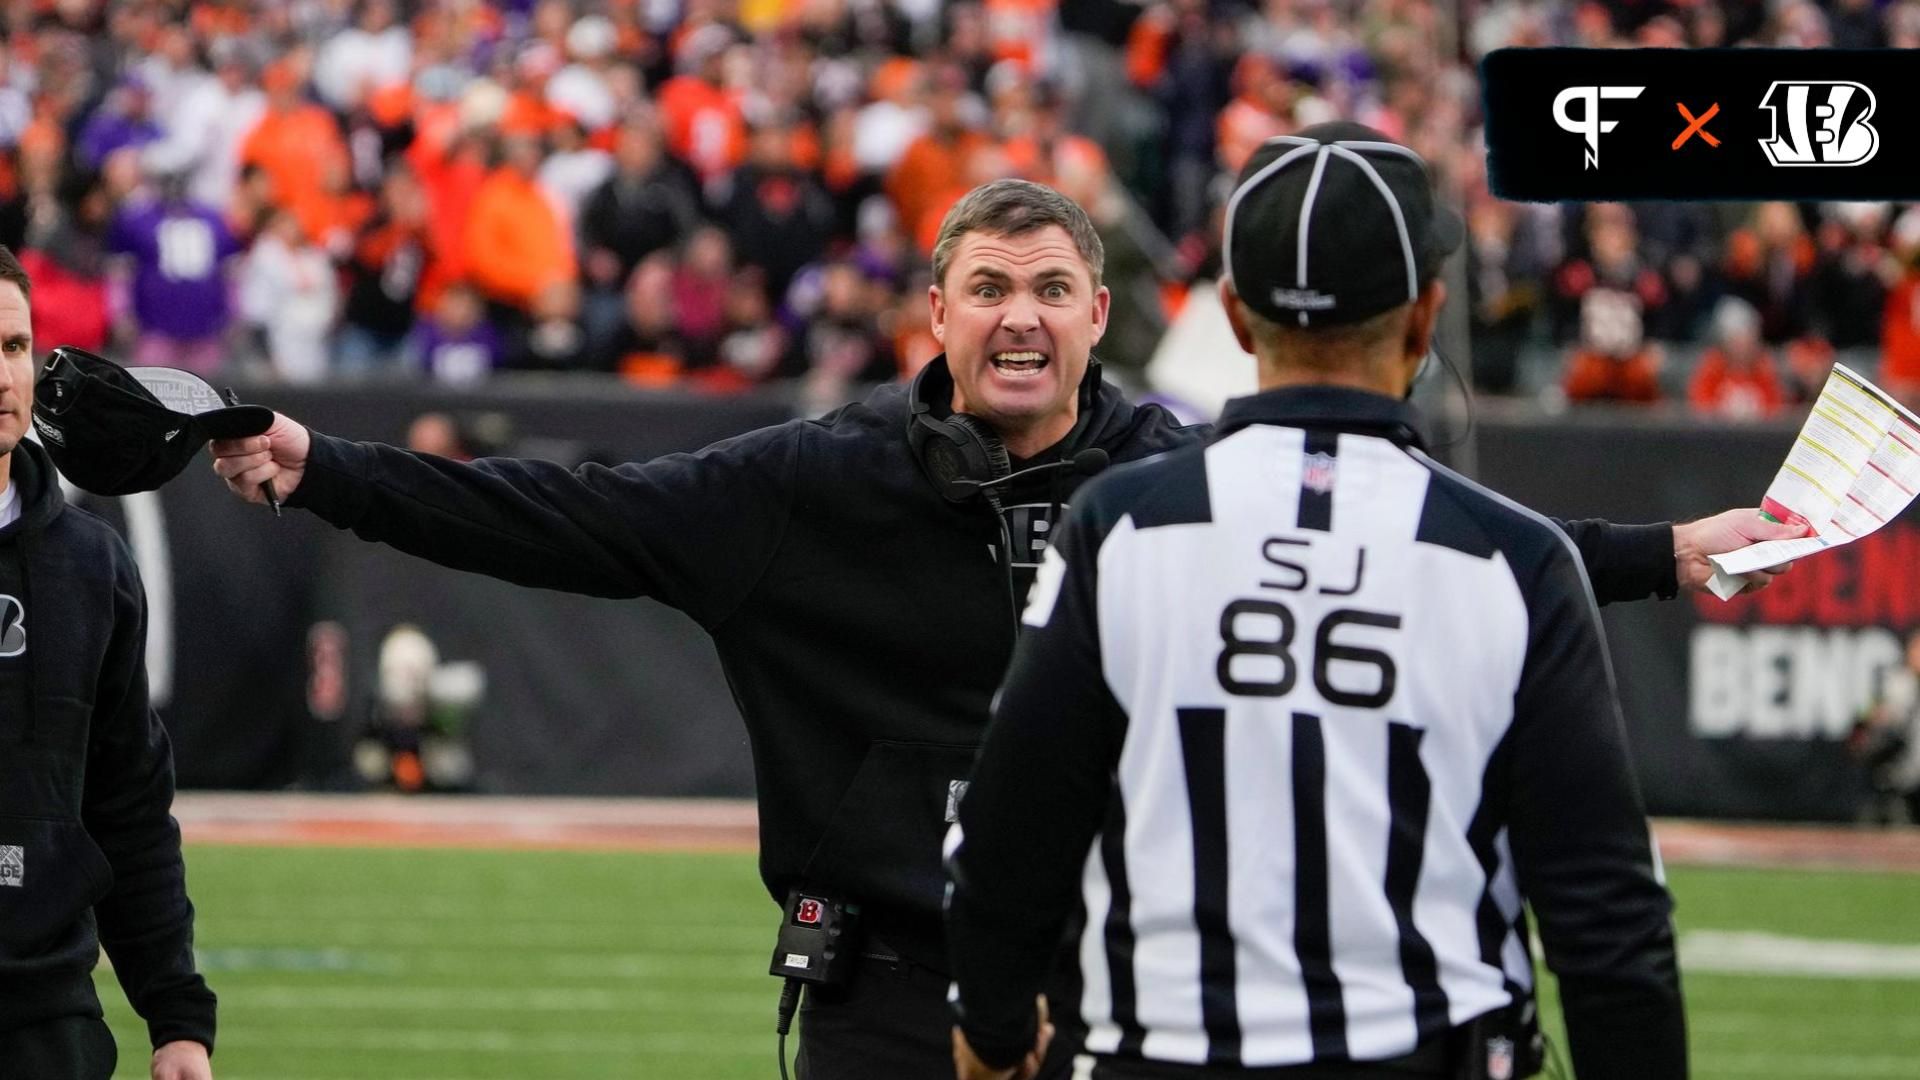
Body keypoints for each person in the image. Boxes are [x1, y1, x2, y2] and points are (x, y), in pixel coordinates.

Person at [210, 177, 1791, 1077]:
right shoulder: (807, 486)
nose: (1021, 313)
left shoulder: (1170, 492)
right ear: (938, 315)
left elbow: (1421, 543)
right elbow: (559, 516)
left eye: (1051, 284)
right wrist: (320, 466)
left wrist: (1660, 548)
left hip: (1113, 994)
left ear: (1104, 316)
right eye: (988, 286)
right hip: (887, 998)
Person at [946, 124, 1687, 1080]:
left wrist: (994, 1038)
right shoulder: (1514, 561)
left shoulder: (1122, 529)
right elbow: (1609, 922)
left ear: (1237, 318)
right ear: (1424, 318)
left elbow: (1008, 839)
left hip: (1168, 1054)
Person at [0, 245, 217, 1079]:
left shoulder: (91, 568)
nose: (4, 374)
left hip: (48, 1019)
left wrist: (177, 1018)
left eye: (17, 348)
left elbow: (128, 802)